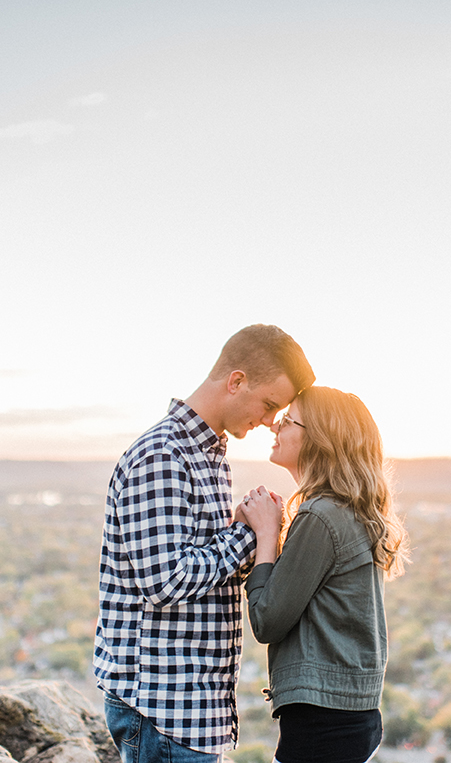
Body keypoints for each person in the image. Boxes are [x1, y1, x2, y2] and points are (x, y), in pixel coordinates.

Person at [94, 325, 314, 763]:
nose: (272, 420)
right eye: (269, 404)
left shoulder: (208, 456)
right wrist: (249, 533)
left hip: (189, 711)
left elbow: (204, 567)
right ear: (236, 381)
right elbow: (165, 581)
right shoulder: (163, 455)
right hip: (162, 708)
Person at [236, 386, 409, 763]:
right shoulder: (349, 510)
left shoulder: (320, 515)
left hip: (323, 722)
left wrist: (267, 535)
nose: (274, 428)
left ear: (317, 439)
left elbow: (267, 620)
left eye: (286, 420)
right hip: (351, 715)